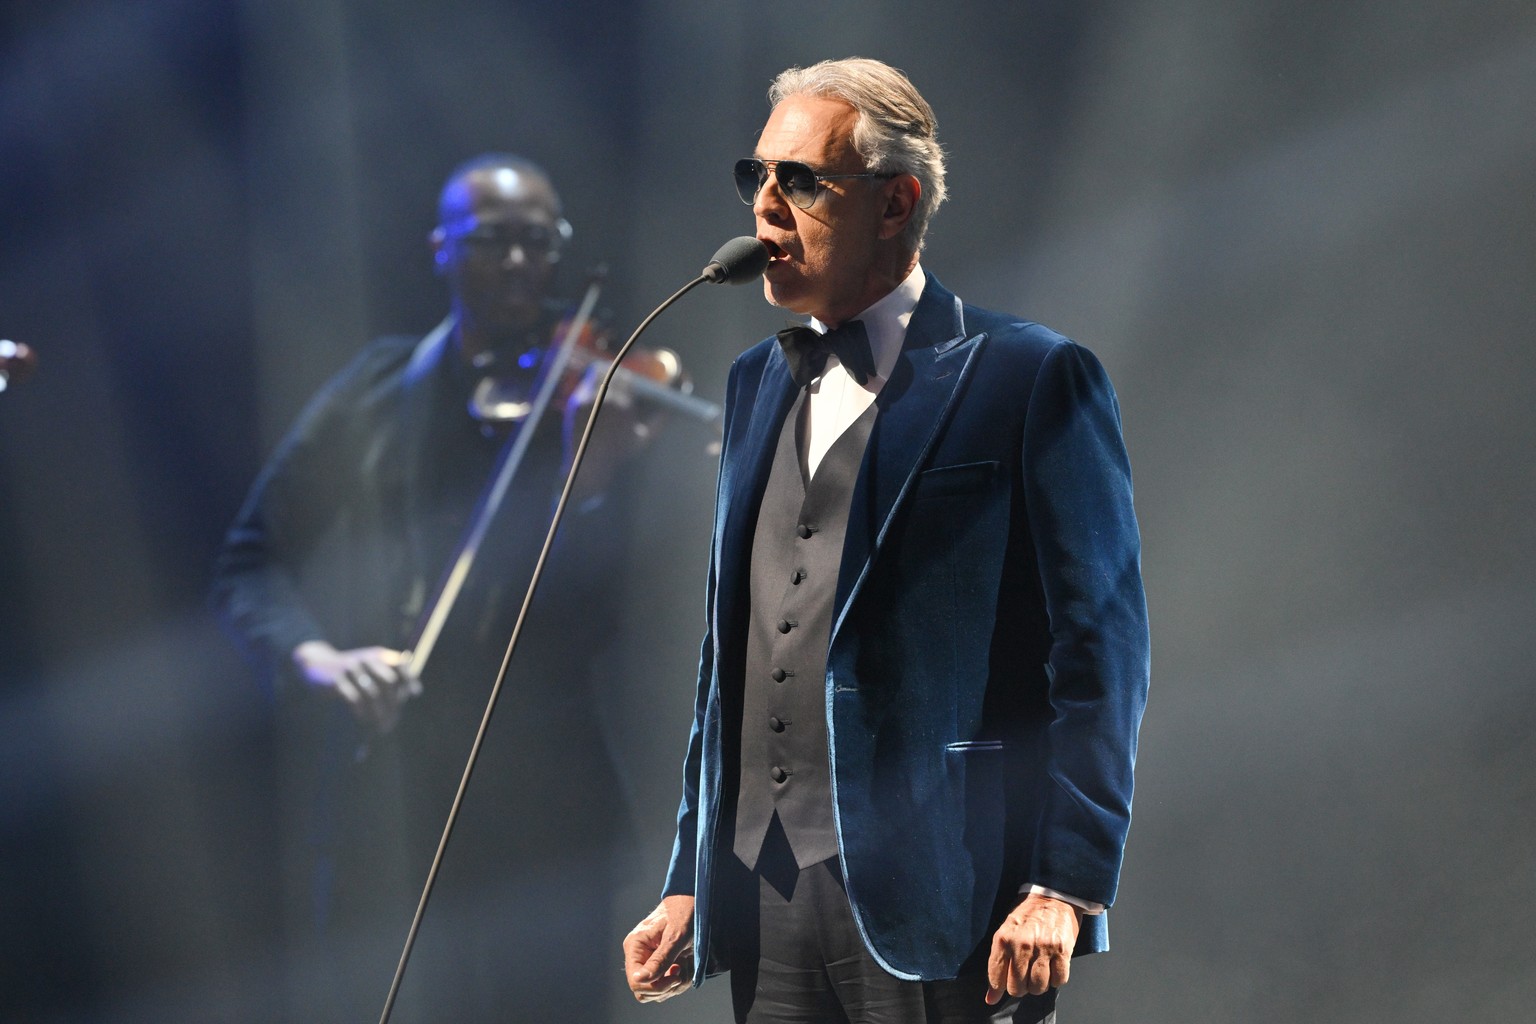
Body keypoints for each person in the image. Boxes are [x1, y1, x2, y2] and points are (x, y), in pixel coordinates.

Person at [622, 59, 1150, 1024]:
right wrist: (692, 873)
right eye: (758, 178)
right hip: (768, 888)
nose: (767, 209)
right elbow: (730, 656)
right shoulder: (754, 383)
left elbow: (1101, 652)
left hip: (948, 895)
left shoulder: (1030, 376)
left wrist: (1065, 887)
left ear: (897, 202)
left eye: (802, 182)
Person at [214, 154, 642, 1022]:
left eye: (538, 243)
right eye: (493, 242)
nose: (521, 264)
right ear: (441, 250)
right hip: (401, 773)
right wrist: (320, 660)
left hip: (556, 786)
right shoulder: (378, 388)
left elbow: (644, 595)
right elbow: (248, 562)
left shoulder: (602, 385)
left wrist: (596, 483)